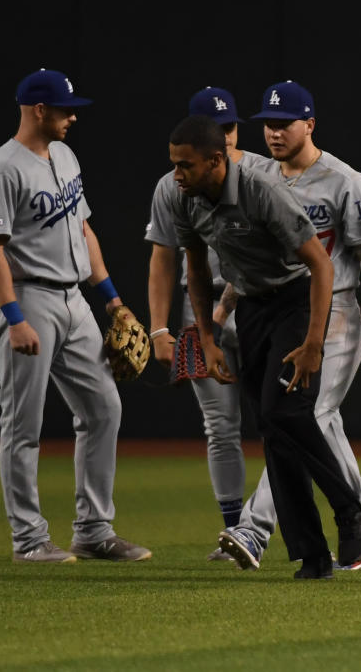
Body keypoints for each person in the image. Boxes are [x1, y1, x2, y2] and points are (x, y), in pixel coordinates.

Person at [166, 113, 361, 579]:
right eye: (174, 165)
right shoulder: (188, 200)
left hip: (296, 301)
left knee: (286, 412)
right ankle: (313, 556)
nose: (177, 175)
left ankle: (350, 510)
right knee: (273, 430)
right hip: (252, 308)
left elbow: (321, 266)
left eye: (186, 165)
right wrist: (207, 336)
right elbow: (196, 271)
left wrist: (315, 342)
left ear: (216, 161)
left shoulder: (263, 191)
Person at [215, 80, 361, 572]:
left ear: (310, 124)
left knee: (299, 417)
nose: (273, 132)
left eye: (284, 123)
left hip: (335, 313)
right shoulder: (256, 177)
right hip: (276, 312)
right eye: (268, 124)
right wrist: (222, 310)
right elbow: (258, 258)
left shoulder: (344, 181)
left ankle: (253, 529)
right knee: (316, 421)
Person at [0, 68, 151, 562]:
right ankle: (28, 540)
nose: (73, 117)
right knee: (23, 426)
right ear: (38, 111)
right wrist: (13, 317)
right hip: (28, 298)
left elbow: (85, 230)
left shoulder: (66, 155)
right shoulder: (1, 170)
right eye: (66, 110)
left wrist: (112, 299)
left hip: (76, 301)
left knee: (103, 409)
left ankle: (93, 531)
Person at [144, 86, 269, 560]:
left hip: (260, 305)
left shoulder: (262, 173)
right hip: (199, 311)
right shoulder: (172, 185)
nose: (229, 138)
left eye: (232, 128)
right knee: (220, 426)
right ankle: (236, 531)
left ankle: (263, 525)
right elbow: (163, 259)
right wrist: (159, 328)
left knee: (279, 421)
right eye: (218, 130)